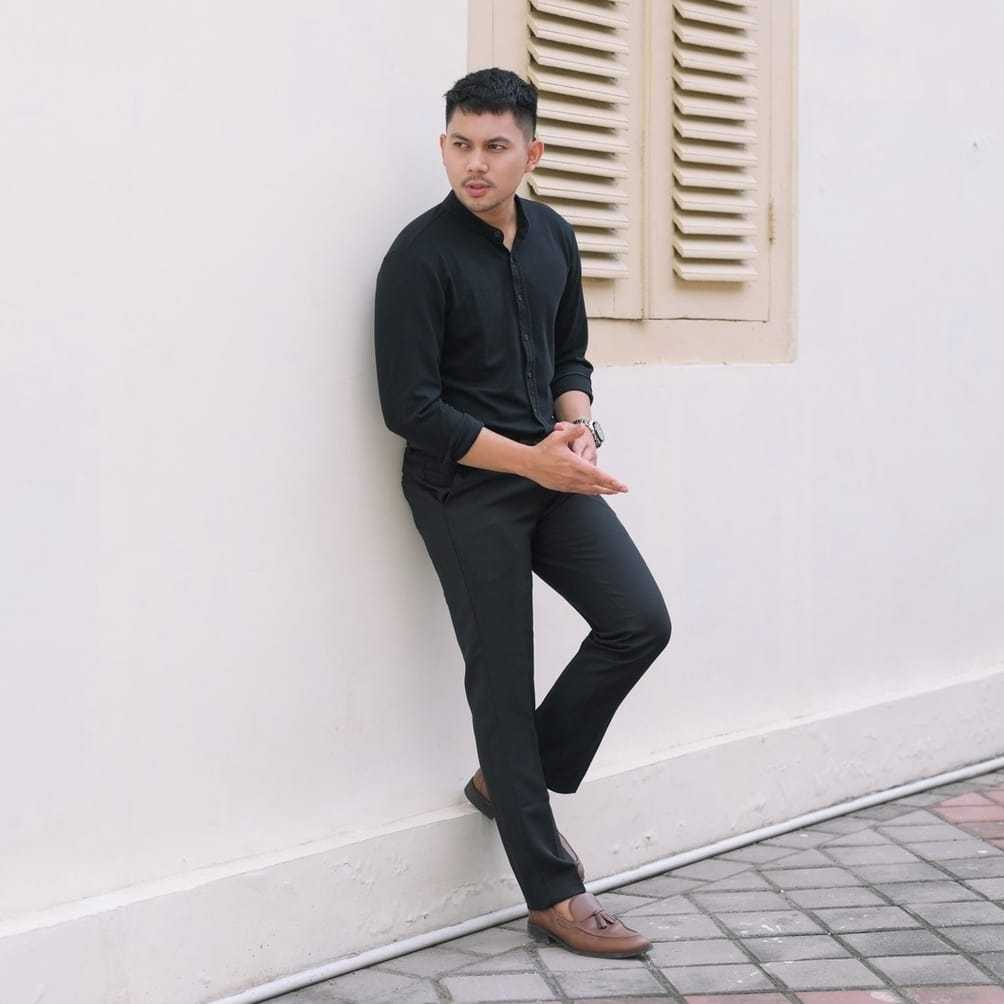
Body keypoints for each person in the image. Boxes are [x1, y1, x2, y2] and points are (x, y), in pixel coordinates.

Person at [373, 67, 671, 959]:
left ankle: (509, 778)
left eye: (496, 147)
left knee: (638, 622)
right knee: (501, 680)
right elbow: (410, 409)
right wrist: (531, 458)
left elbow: (571, 352)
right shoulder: (418, 258)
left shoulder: (554, 238)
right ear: (443, 146)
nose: (476, 163)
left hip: (548, 472)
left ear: (531, 153)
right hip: (461, 489)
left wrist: (577, 428)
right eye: (460, 144)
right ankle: (554, 894)